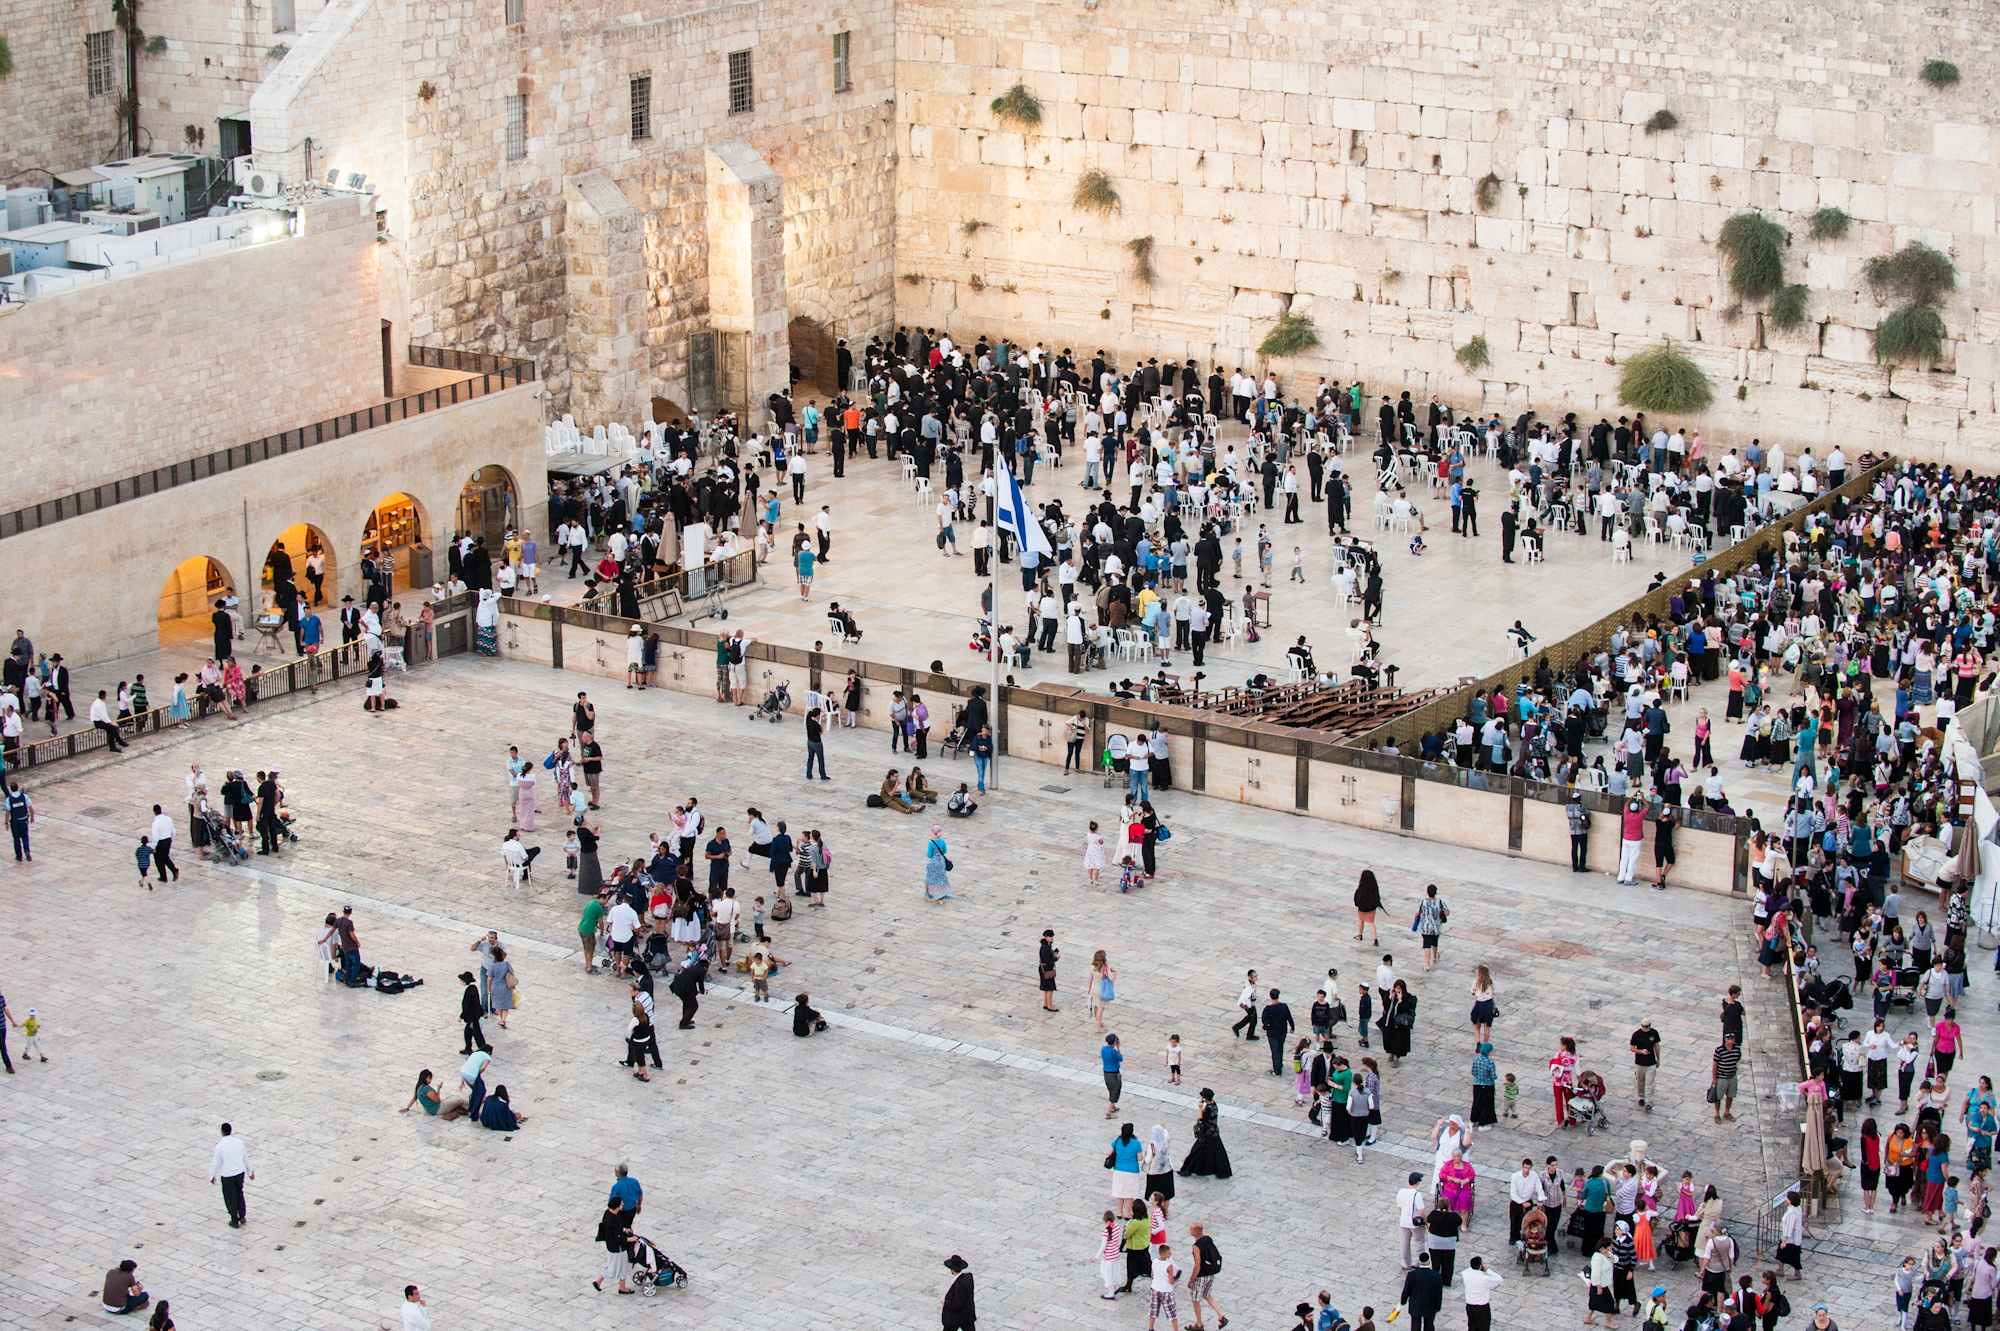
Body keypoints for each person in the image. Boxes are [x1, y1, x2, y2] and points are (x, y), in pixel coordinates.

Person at [1178, 1088, 1231, 1177]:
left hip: (1206, 1134)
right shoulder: (1214, 1105)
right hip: (1213, 1133)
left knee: (1195, 1152)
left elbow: (1201, 1120)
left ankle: (1187, 1170)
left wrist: (1200, 1108)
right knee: (1217, 1153)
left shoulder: (1208, 1109)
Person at [209, 1122, 252, 1227]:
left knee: (230, 1197)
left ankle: (234, 1219)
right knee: (239, 1193)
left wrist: (212, 1175)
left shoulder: (220, 1146)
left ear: (222, 1132)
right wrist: (250, 1171)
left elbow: (216, 1162)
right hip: (239, 1173)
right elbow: (245, 1157)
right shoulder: (239, 1142)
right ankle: (242, 1215)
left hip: (227, 1175)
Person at [1186, 1222, 1225, 1330]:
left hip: (1202, 1276)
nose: (1190, 1231)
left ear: (1195, 1232)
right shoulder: (1208, 1239)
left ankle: (1199, 1324)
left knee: (1195, 1299)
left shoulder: (1196, 1247)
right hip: (1210, 1274)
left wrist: (1191, 1280)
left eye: (1191, 1229)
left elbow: (1197, 1265)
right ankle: (1221, 1316)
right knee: (1207, 1295)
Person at [593, 1200, 635, 1293]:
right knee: (614, 1268)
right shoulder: (614, 1219)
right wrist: (630, 1239)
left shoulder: (608, 1213)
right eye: (621, 1204)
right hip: (617, 1248)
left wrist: (623, 1230)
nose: (622, 1205)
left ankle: (622, 1287)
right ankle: (599, 1281)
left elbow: (614, 1231)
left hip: (612, 1245)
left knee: (621, 1265)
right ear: (617, 1207)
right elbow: (617, 1237)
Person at [1398, 1251, 1445, 1331]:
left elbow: (1407, 1289)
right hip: (1430, 1305)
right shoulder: (1436, 1276)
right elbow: (1439, 1293)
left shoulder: (1412, 1275)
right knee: (1429, 1325)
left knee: (1415, 1326)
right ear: (1429, 1261)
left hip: (1416, 1305)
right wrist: (1438, 1306)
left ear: (1419, 1261)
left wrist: (1403, 1301)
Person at [1461, 1255, 1502, 1331]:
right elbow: (1499, 1279)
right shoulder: (1484, 1278)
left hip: (1470, 1306)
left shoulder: (1465, 1274)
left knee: (1472, 1326)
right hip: (1482, 1307)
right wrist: (1487, 1270)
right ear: (1480, 1266)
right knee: (1483, 1327)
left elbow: (1467, 1270)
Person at [941, 1254, 976, 1331]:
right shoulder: (968, 1277)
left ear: (952, 1270)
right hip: (967, 1314)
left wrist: (946, 1303)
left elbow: (958, 1303)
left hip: (956, 1317)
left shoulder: (958, 1284)